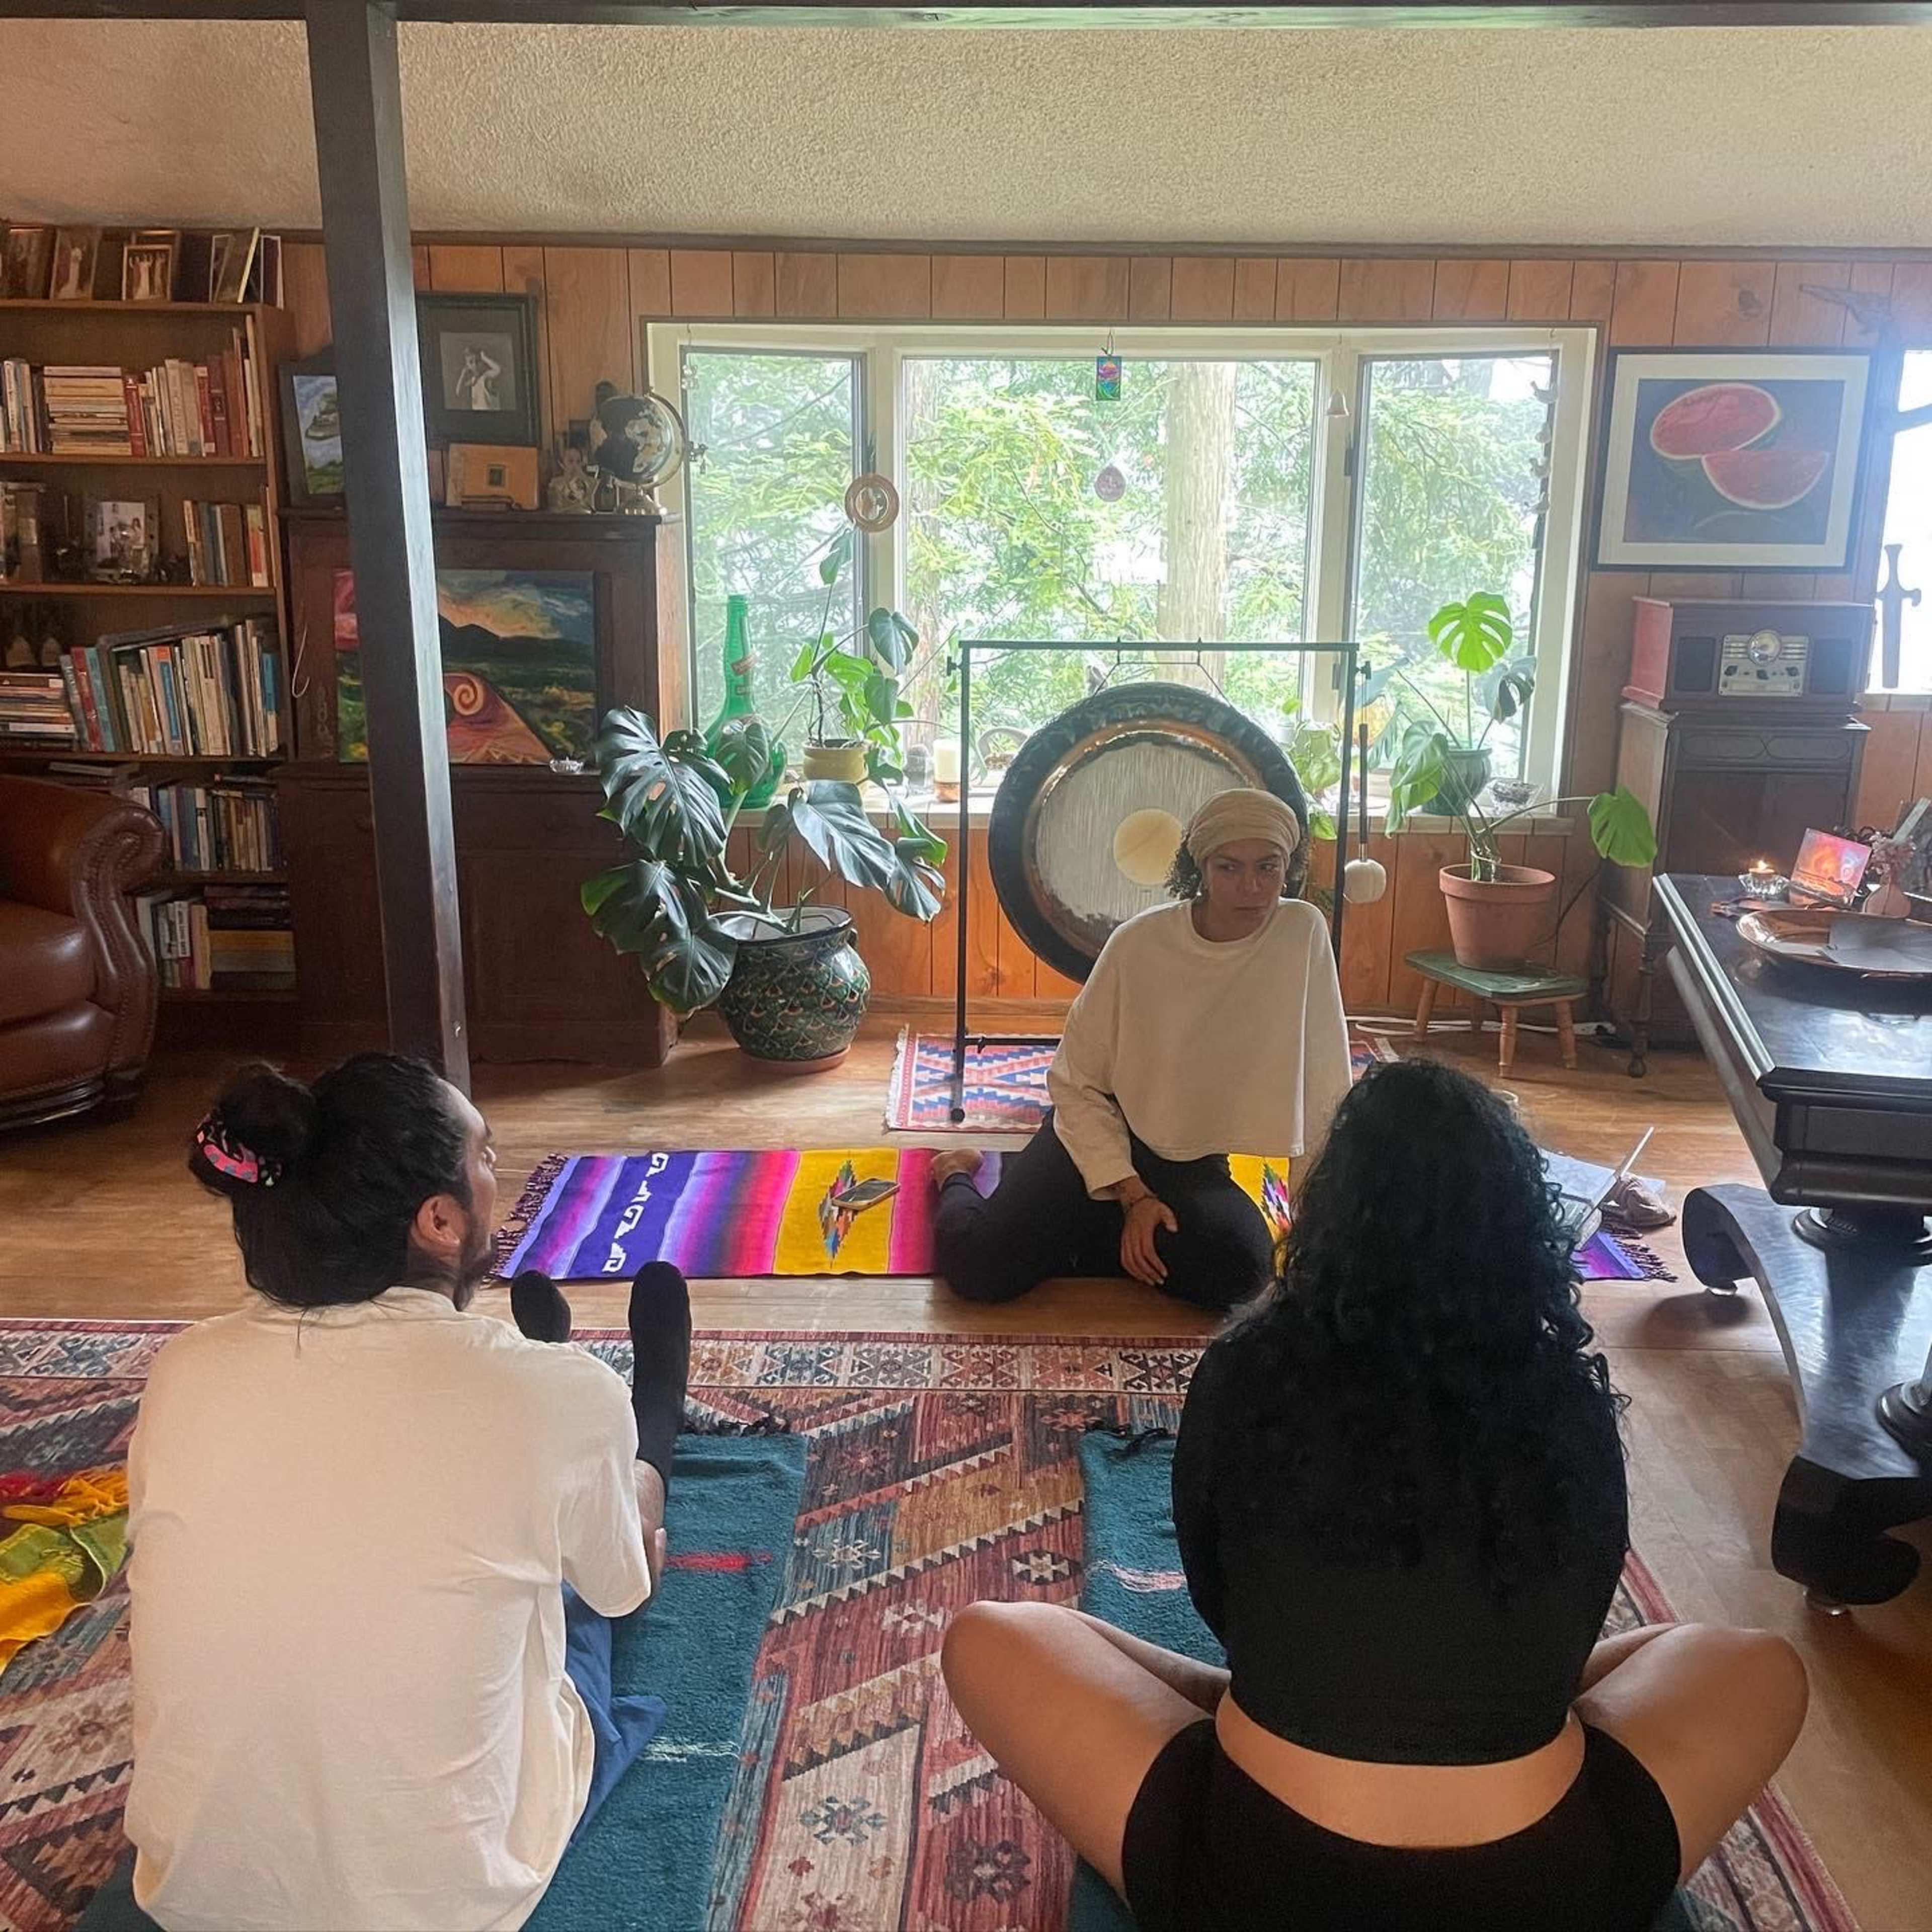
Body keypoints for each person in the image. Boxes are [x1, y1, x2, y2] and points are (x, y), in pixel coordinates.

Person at [942, 1060, 1808, 1931]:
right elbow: (1581, 1605)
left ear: (1331, 1216)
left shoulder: (1251, 1367)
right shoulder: (1562, 1392)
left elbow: (1219, 1598)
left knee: (990, 1640)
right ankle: (1382, 1690)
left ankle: (1334, 1691)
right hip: (1555, 1884)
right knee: (1758, 1667)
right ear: (1518, 1225)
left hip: (1256, 1875)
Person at [113, 1053, 691, 1932]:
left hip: (193, 1893)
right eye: (488, 1157)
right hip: (443, 1899)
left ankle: (613, 1422)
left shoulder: (181, 1370)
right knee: (585, 1598)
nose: (499, 1173)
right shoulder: (549, 1398)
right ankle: (654, 1429)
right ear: (440, 1220)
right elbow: (619, 1590)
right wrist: (624, 1494)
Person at [931, 786, 1351, 1309]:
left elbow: (1325, 1084)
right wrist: (1133, 1195)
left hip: (1190, 1157)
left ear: (1290, 867)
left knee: (1243, 1273)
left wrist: (1322, 1224)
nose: (1252, 888)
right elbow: (1074, 1082)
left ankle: (1085, 1228)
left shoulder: (1301, 933)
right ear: (1199, 868)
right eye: (1229, 868)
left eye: (1269, 868)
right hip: (1097, 1133)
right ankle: (957, 1173)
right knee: (981, 1270)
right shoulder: (1138, 944)